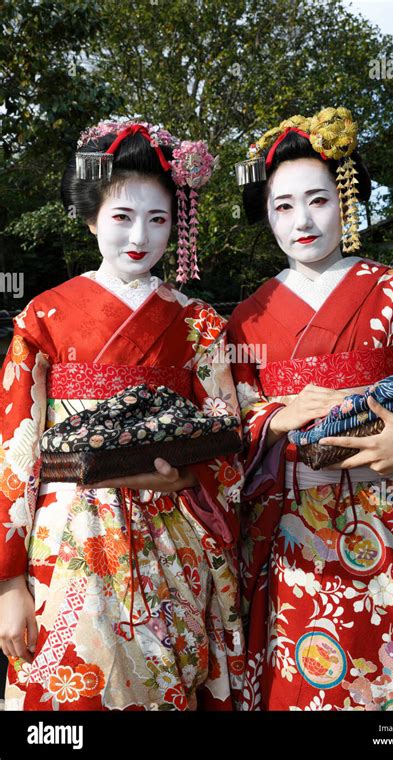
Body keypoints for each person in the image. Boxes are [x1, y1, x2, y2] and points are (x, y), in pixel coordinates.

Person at [227, 109, 393, 711]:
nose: (302, 221)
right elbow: (225, 430)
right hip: (293, 537)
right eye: (283, 206)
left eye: (319, 200)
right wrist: (270, 421)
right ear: (267, 215)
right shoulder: (247, 319)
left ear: (349, 202)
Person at [0, 119, 245, 711]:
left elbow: (231, 441)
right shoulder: (44, 317)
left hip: (175, 532)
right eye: (121, 217)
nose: (141, 235)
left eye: (158, 219)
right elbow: (15, 448)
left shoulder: (201, 323)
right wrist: (8, 582)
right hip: (67, 536)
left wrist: (188, 477)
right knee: (71, 699)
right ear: (90, 218)